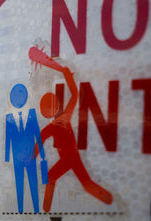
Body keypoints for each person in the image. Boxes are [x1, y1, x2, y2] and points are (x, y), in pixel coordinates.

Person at [29, 45, 113, 212]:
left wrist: (67, 75)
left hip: (71, 156)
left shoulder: (61, 120)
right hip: (70, 157)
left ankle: (109, 200)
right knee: (80, 182)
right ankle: (46, 208)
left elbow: (40, 141)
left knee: (79, 182)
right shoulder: (59, 121)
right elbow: (40, 141)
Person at [5, 83, 46, 214]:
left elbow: (38, 135)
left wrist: (43, 153)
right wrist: (6, 158)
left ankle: (36, 209)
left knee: (34, 183)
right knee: (19, 185)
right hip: (17, 157)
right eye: (16, 95)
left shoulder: (32, 114)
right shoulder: (9, 117)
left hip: (31, 155)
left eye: (21, 94)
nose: (18, 98)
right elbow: (8, 139)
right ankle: (21, 211)